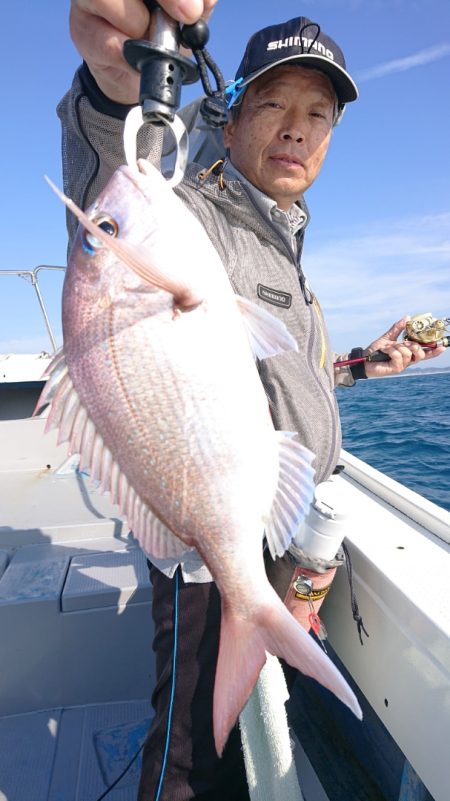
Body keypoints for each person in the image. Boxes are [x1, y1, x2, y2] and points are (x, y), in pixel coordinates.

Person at [60, 3, 445, 800]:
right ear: (227, 121)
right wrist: (110, 85)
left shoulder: (285, 238)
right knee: (189, 757)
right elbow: (110, 167)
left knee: (232, 737)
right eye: (274, 104)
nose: (298, 130)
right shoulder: (194, 210)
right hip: (207, 540)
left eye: (319, 114)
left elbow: (267, 380)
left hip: (266, 522)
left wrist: (369, 364)